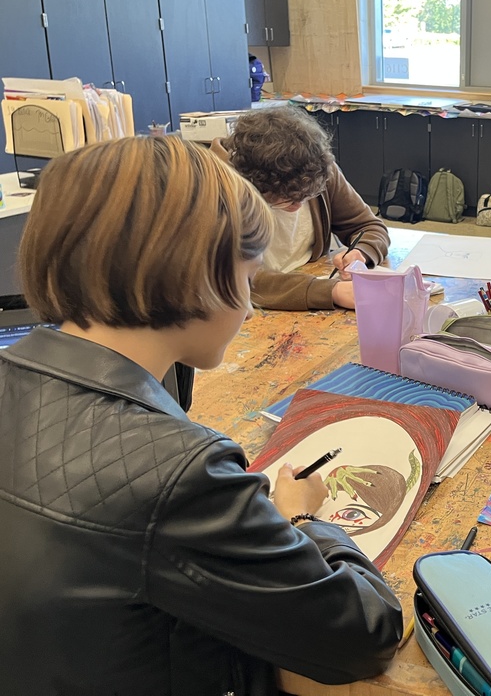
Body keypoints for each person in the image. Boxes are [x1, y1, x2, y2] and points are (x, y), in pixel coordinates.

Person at [0, 136, 404, 694]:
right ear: (195, 276)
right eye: (246, 277)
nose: (245, 304)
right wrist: (304, 521)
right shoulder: (181, 475)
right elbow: (365, 634)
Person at [214, 105, 390, 311]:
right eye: (287, 199)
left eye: (307, 197)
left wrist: (362, 252)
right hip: (245, 312)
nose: (298, 206)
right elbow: (230, 278)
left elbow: (368, 226)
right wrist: (329, 292)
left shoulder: (314, 169)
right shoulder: (217, 191)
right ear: (254, 183)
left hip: (306, 282)